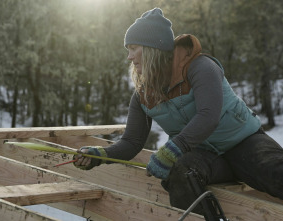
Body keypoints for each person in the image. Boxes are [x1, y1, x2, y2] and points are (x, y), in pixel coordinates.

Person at [74, 7, 283, 214]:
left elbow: (208, 116)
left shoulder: (200, 67)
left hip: (244, 142)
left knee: (274, 171)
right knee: (181, 171)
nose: (129, 57)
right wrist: (99, 155)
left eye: (133, 48)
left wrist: (172, 149)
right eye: (127, 50)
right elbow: (132, 142)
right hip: (205, 157)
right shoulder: (143, 96)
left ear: (152, 48)